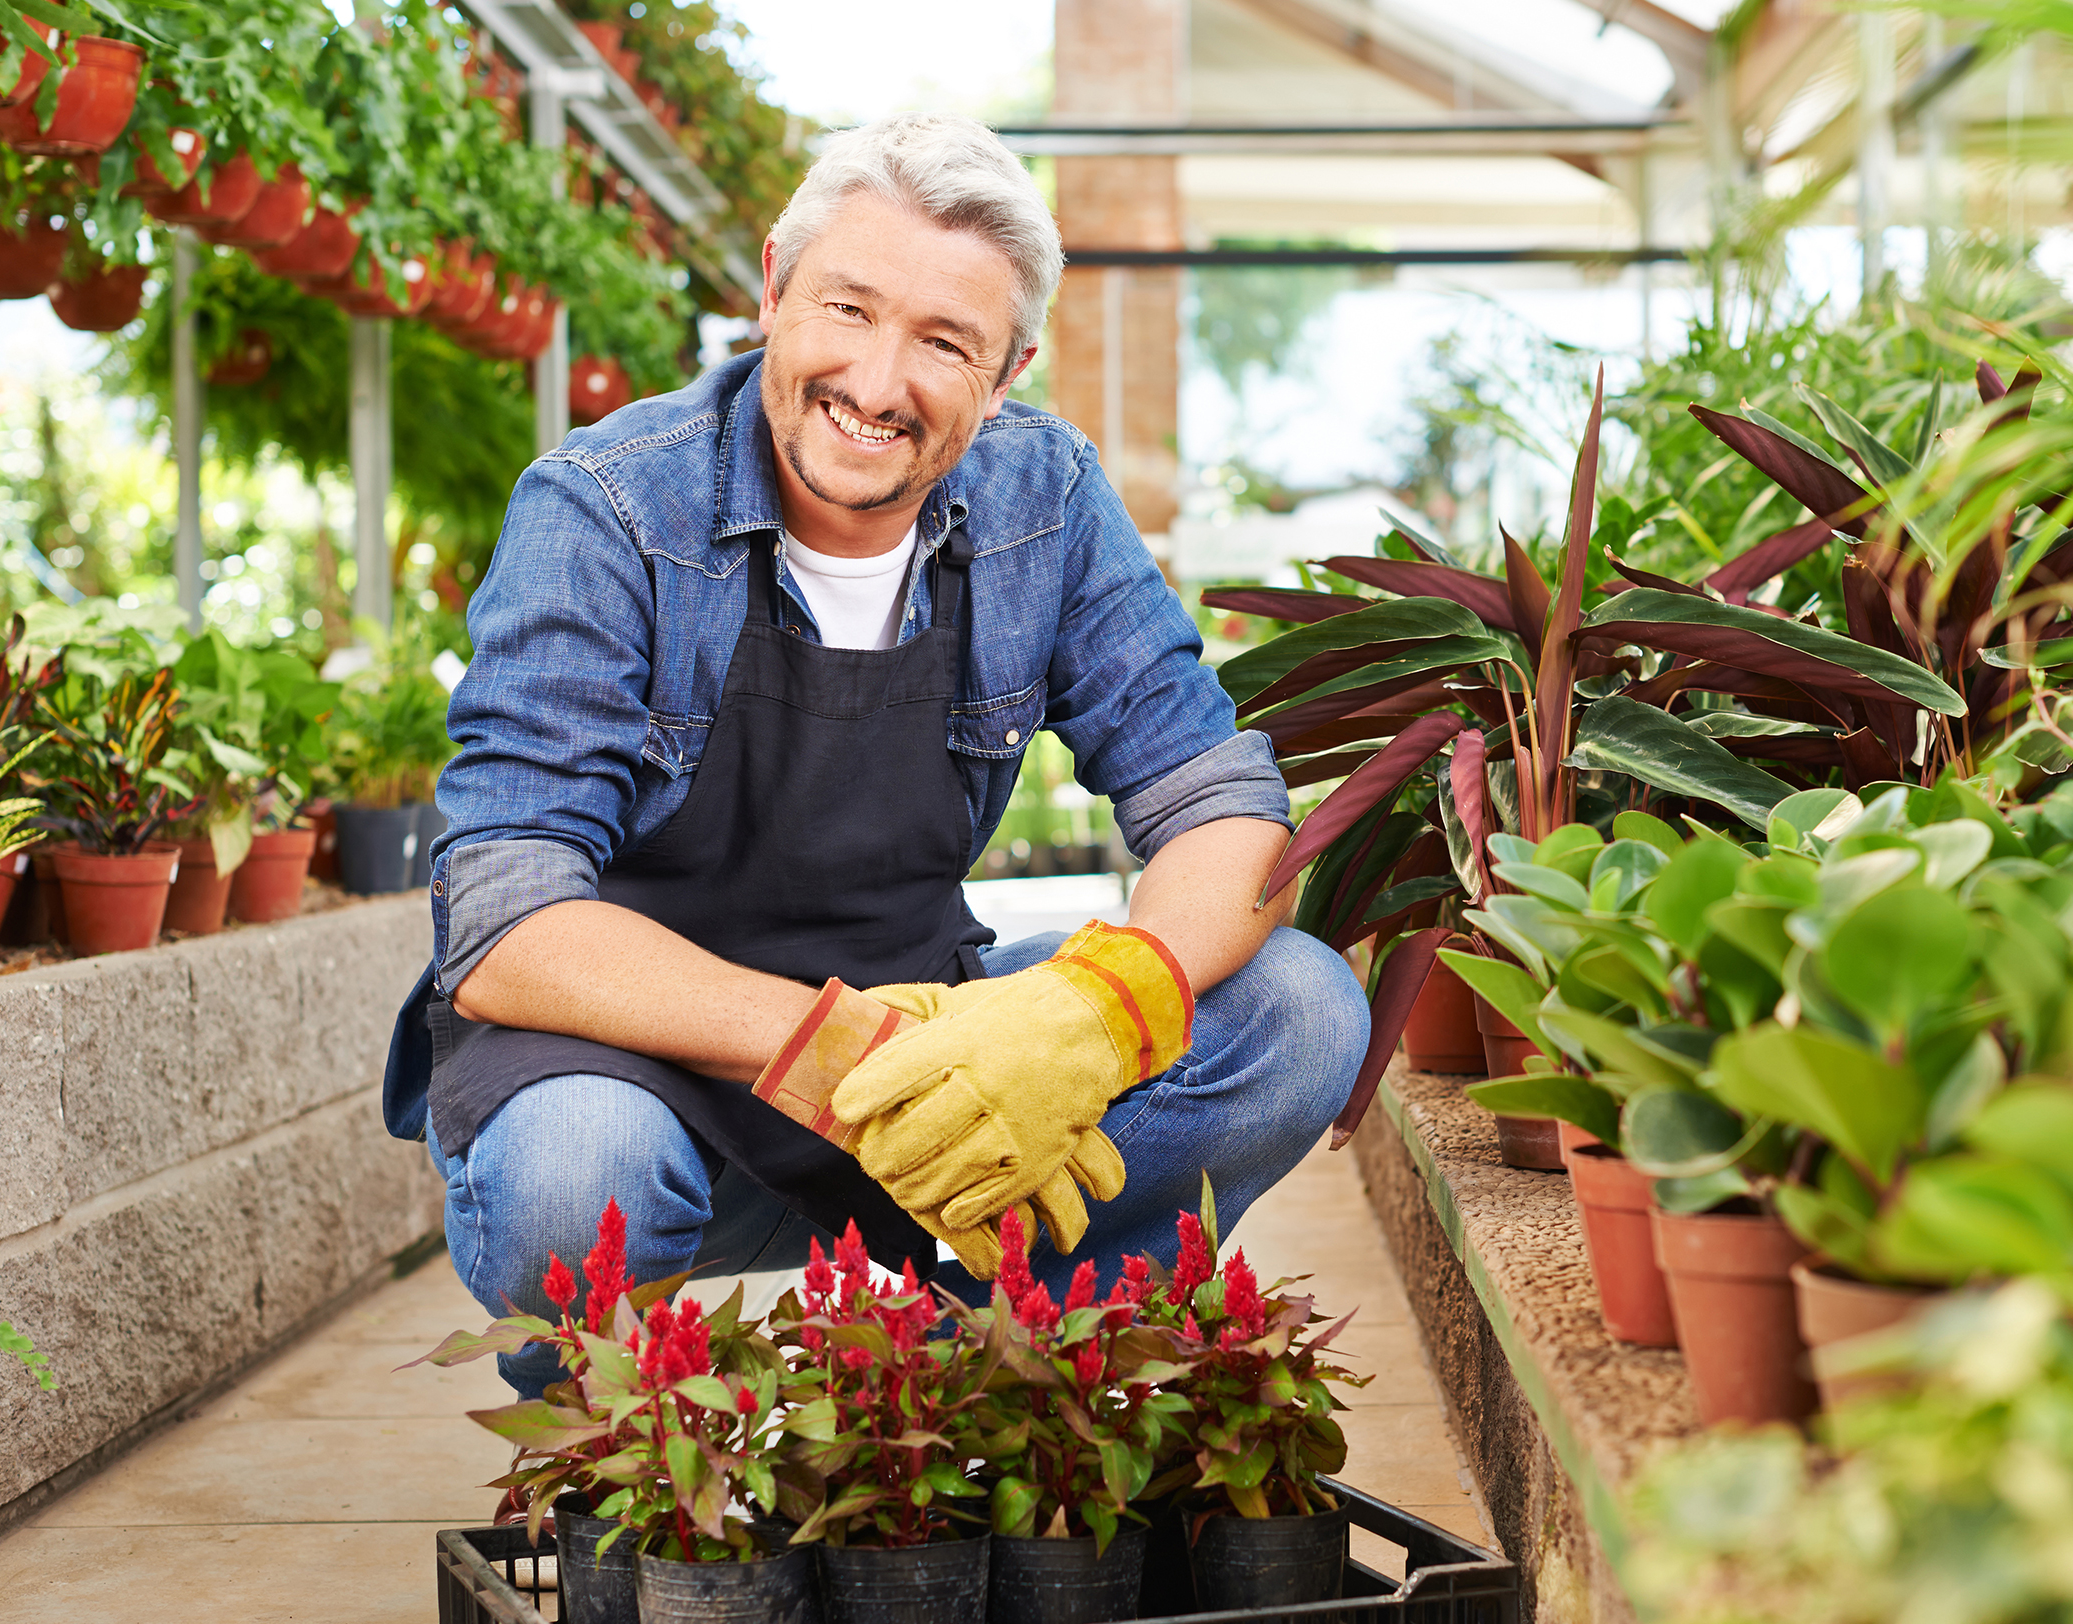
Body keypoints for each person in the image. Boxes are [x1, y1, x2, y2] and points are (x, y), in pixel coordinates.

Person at [380, 112, 1370, 1396]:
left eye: (944, 342)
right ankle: (620, 1448)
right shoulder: (610, 506)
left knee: (1295, 1007)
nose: (878, 381)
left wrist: (1083, 1016)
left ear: (1006, 372)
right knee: (575, 1172)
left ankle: (1020, 1381)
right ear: (775, 293)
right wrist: (839, 1053)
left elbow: (1224, 810)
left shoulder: (1046, 501)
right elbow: (509, 917)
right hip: (641, 1068)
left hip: (931, 1051)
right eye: (848, 309)